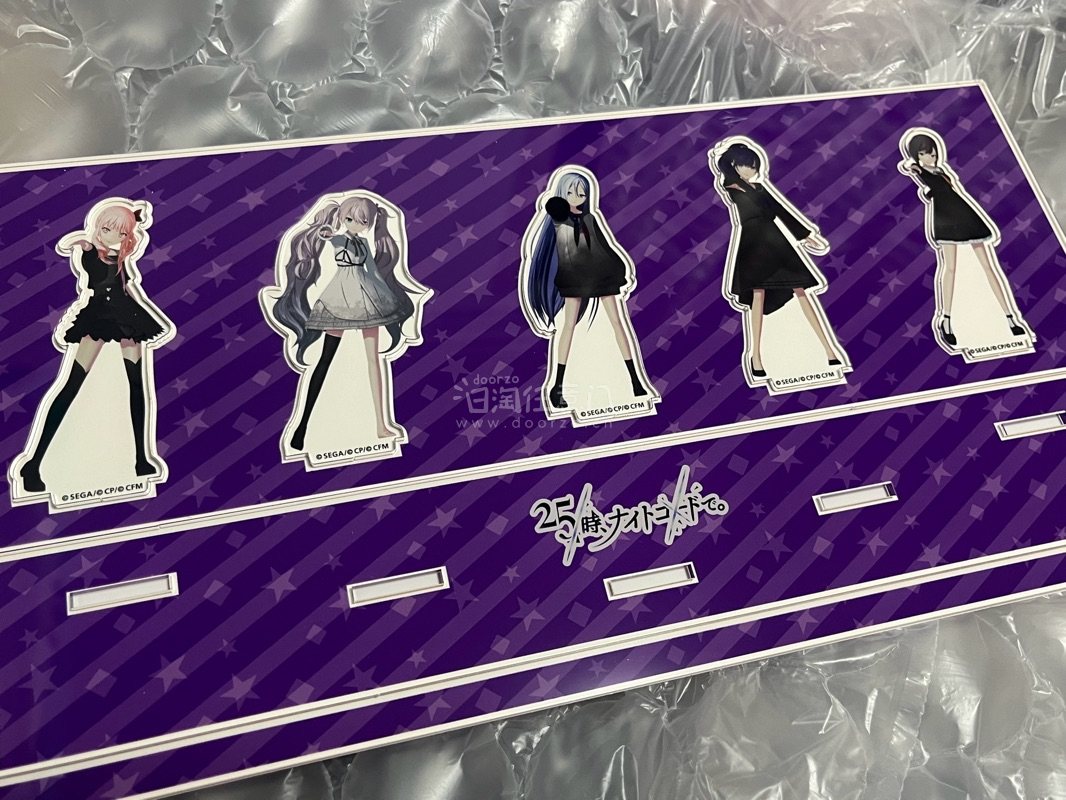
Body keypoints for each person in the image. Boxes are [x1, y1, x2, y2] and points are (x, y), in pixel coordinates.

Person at [18, 200, 169, 494]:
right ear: (100, 228)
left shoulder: (120, 257)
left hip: (127, 316)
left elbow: (125, 283)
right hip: (99, 317)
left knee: (137, 384)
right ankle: (32, 464)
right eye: (110, 229)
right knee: (72, 384)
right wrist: (84, 240)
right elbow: (68, 244)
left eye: (123, 233)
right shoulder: (90, 250)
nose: (116, 237)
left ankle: (141, 459)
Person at [268, 193, 429, 450]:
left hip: (367, 300)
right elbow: (328, 236)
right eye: (350, 219)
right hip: (340, 299)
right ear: (343, 218)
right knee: (325, 359)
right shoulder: (339, 238)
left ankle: (381, 425)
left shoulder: (364, 244)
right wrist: (326, 231)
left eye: (363, 221)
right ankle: (302, 426)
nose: (356, 224)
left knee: (374, 360)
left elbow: (373, 272)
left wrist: (387, 299)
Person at [711, 140, 842, 378]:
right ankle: (756, 357)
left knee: (801, 290)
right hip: (753, 244)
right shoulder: (732, 187)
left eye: (754, 166)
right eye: (748, 165)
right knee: (758, 295)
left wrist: (806, 236)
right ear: (736, 165)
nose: (752, 171)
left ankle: (829, 349)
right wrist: (724, 156)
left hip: (776, 242)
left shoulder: (759, 188)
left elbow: (781, 211)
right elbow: (750, 200)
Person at [521, 169, 650, 409]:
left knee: (617, 322)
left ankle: (635, 380)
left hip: (601, 274)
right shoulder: (559, 218)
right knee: (569, 326)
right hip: (574, 276)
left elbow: (604, 246)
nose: (577, 197)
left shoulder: (590, 218)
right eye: (571, 192)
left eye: (581, 193)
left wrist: (620, 269)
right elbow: (554, 207)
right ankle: (557, 386)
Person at [899, 129, 1028, 347]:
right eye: (924, 153)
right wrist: (916, 169)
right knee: (950, 268)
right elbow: (910, 168)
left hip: (964, 215)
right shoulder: (919, 170)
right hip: (946, 221)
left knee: (988, 266)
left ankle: (1010, 317)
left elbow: (941, 189)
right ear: (917, 156)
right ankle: (946, 320)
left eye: (931, 152)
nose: (930, 156)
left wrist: (931, 190)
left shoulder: (941, 172)